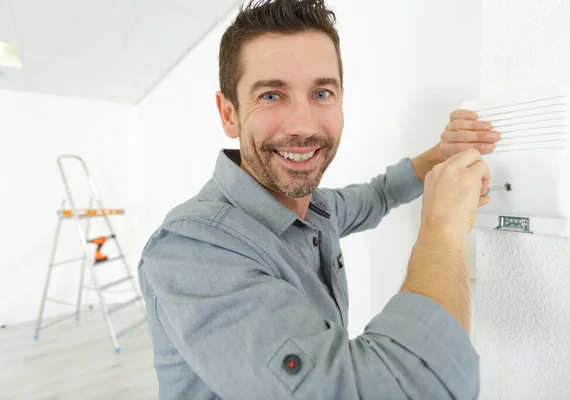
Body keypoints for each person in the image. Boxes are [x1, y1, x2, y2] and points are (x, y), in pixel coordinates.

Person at [137, 0, 499, 398]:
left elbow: (379, 194)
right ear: (229, 114)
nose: (304, 126)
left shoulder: (316, 209)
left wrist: (437, 157)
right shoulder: (191, 250)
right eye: (272, 96)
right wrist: (444, 231)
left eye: (322, 92)